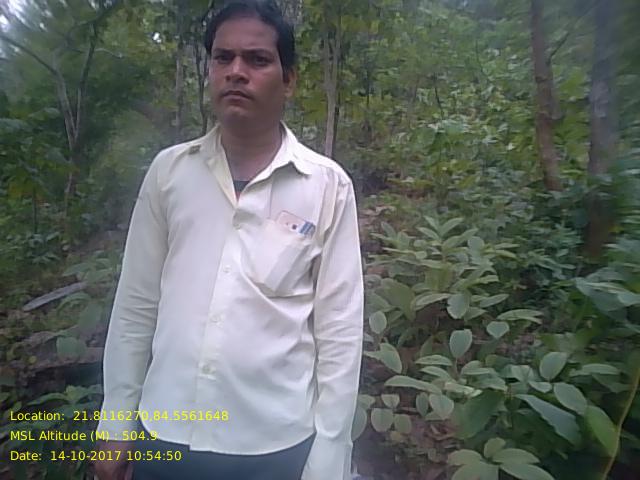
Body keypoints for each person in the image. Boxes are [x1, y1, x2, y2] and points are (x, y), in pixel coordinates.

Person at [92, 1, 364, 479]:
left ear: (289, 80)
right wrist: (116, 422)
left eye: (257, 59)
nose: (236, 71)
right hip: (165, 433)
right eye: (223, 57)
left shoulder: (326, 186)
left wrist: (329, 455)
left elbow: (339, 331)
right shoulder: (170, 173)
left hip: (275, 447)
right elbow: (136, 304)